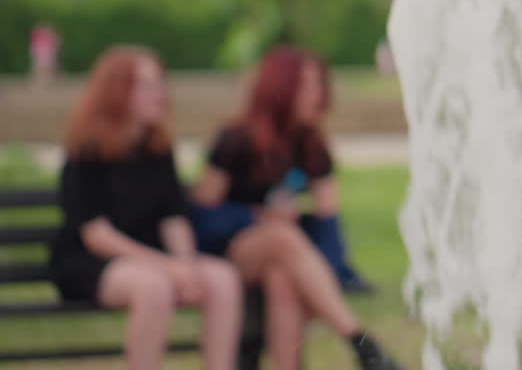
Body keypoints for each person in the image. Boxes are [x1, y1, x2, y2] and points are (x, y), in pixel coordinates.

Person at [190, 45, 400, 370]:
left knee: (282, 276)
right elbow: (202, 216)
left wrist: (328, 271)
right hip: (230, 252)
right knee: (279, 236)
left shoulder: (313, 147)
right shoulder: (236, 140)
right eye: (307, 85)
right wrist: (254, 216)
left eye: (320, 84)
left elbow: (329, 220)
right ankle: (362, 344)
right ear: (281, 88)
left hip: (290, 259)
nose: (317, 94)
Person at [49, 46, 242, 370]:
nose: (161, 94)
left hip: (151, 258)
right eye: (149, 86)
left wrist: (187, 264)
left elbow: (173, 217)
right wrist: (169, 268)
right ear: (118, 92)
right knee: (154, 287)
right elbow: (96, 235)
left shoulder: (157, 149)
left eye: (161, 84)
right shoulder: (86, 152)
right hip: (92, 261)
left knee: (222, 279)